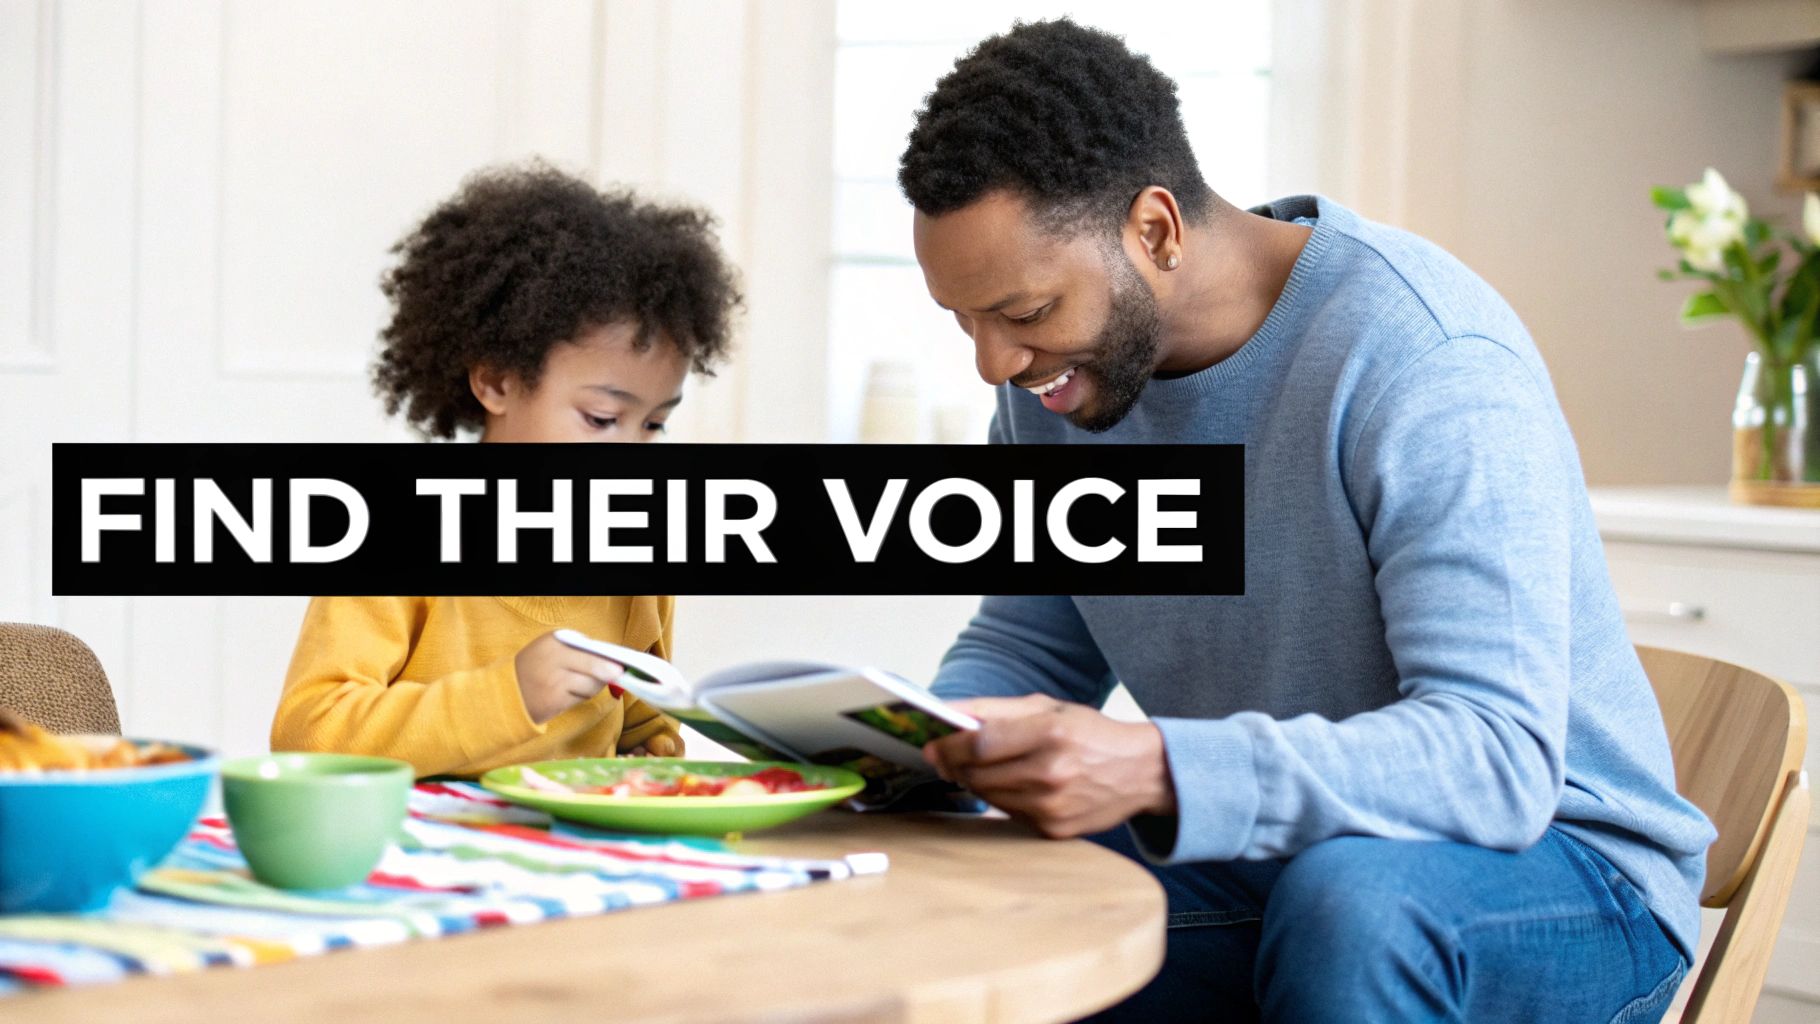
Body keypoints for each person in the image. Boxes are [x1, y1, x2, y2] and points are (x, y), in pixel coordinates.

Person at [902, 20, 1715, 1022]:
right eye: (961, 318)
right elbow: (1032, 634)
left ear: (1153, 230)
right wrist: (917, 749)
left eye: (1022, 311)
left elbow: (1493, 759)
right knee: (959, 874)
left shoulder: (1421, 356)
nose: (992, 362)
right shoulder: (1057, 381)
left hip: (1558, 872)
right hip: (1283, 860)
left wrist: (1156, 763)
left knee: (1354, 905)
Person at [271, 163, 741, 778]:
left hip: (577, 863)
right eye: (601, 419)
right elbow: (309, 735)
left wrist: (651, 753)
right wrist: (510, 696)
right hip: (418, 857)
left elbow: (642, 722)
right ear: (496, 380)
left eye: (654, 424)